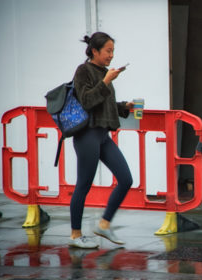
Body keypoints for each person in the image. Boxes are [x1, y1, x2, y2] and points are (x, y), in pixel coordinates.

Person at [68, 32, 134, 248]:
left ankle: (104, 225)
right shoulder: (83, 71)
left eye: (113, 51)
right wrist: (106, 81)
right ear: (94, 51)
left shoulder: (105, 73)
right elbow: (87, 101)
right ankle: (76, 235)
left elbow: (104, 105)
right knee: (84, 185)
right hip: (87, 136)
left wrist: (124, 107)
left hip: (102, 136)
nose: (111, 55)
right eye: (108, 51)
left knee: (126, 179)